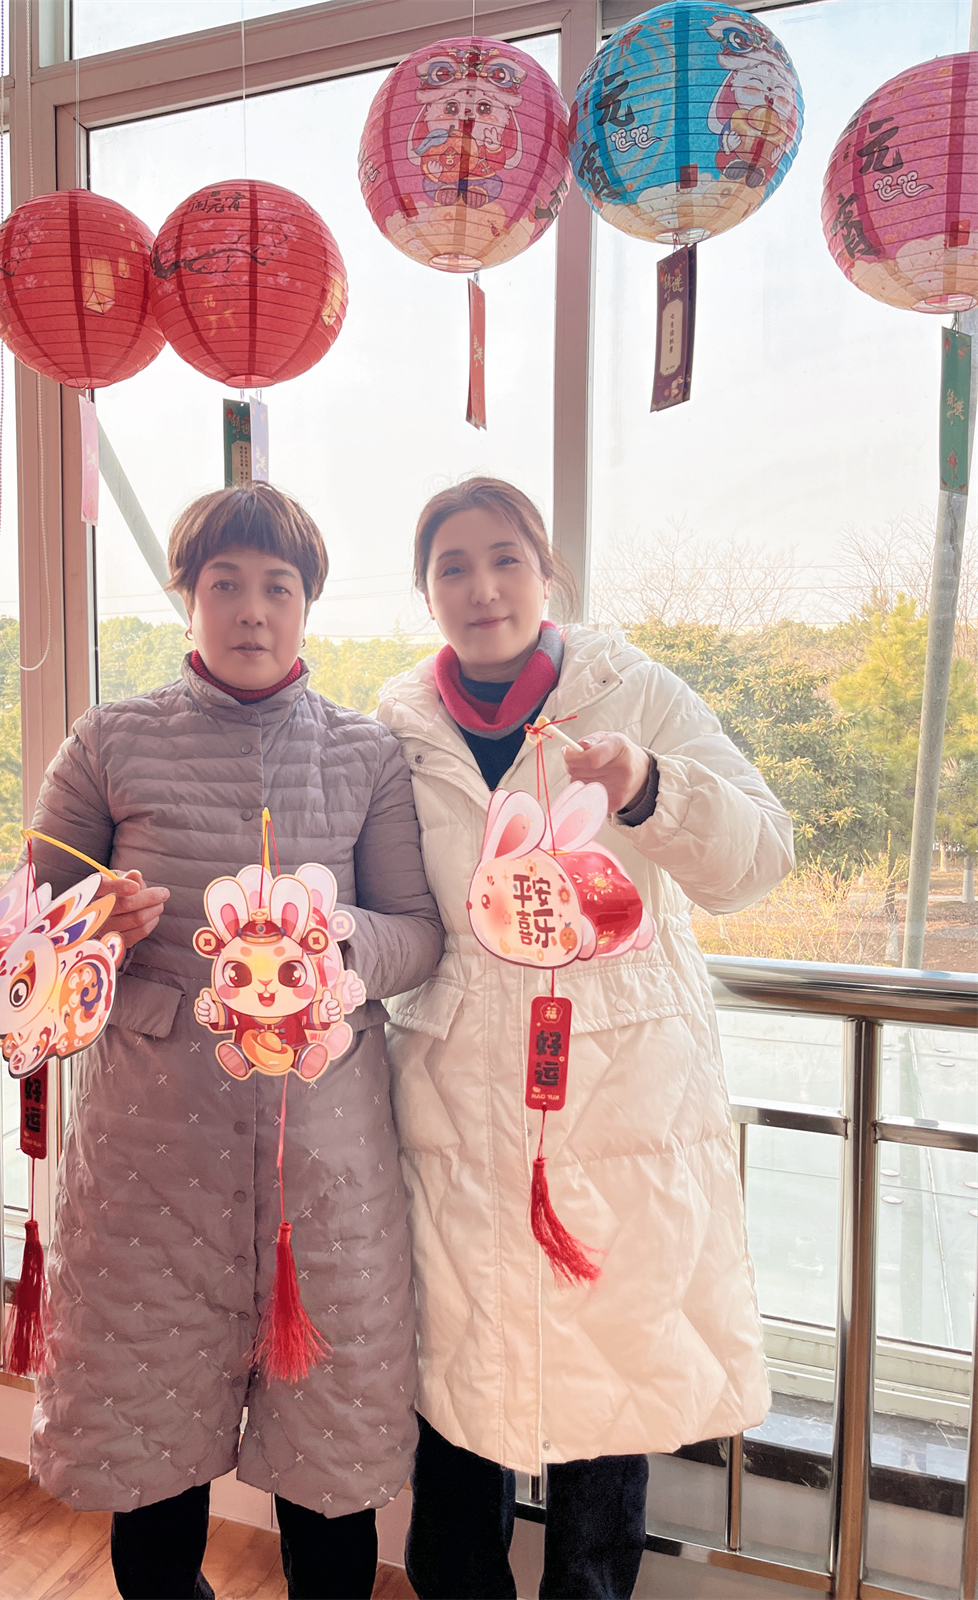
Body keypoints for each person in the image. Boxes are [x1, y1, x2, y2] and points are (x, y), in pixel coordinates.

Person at [375, 478, 794, 1599]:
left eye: (505, 558)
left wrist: (649, 787)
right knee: (456, 1382)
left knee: (609, 1386)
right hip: (457, 1102)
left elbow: (761, 855)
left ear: (546, 572)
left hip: (618, 1102)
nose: (482, 587)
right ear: (426, 592)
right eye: (453, 567)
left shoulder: (635, 691)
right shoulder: (397, 728)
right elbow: (388, 904)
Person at [25, 483, 444, 1600]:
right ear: (188, 596)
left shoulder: (365, 753)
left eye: (277, 586)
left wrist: (336, 939)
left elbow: (418, 935)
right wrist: (92, 926)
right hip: (150, 1153)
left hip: (325, 1158)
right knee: (148, 1443)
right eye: (225, 584)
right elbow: (31, 933)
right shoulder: (108, 740)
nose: (252, 609)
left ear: (308, 603)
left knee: (330, 1456)